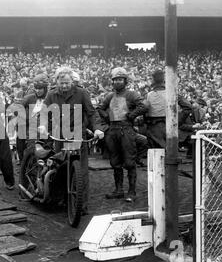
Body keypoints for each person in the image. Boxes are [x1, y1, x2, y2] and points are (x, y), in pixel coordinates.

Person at [41, 67, 105, 214]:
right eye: (62, 83)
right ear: (56, 81)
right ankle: (62, 200)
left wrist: (97, 128)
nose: (64, 86)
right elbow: (44, 113)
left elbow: (92, 113)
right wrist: (43, 126)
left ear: (72, 81)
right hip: (59, 136)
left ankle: (81, 205)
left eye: (67, 83)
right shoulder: (51, 95)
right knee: (60, 168)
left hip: (77, 135)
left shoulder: (81, 93)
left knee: (80, 170)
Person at [98, 67, 146, 202]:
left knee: (130, 162)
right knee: (115, 162)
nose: (118, 82)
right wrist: (107, 118)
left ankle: (132, 191)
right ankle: (119, 190)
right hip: (112, 130)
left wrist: (131, 115)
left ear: (125, 81)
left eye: (120, 80)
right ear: (112, 82)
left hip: (126, 129)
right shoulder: (109, 96)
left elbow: (143, 106)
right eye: (115, 80)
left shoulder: (132, 94)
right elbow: (100, 108)